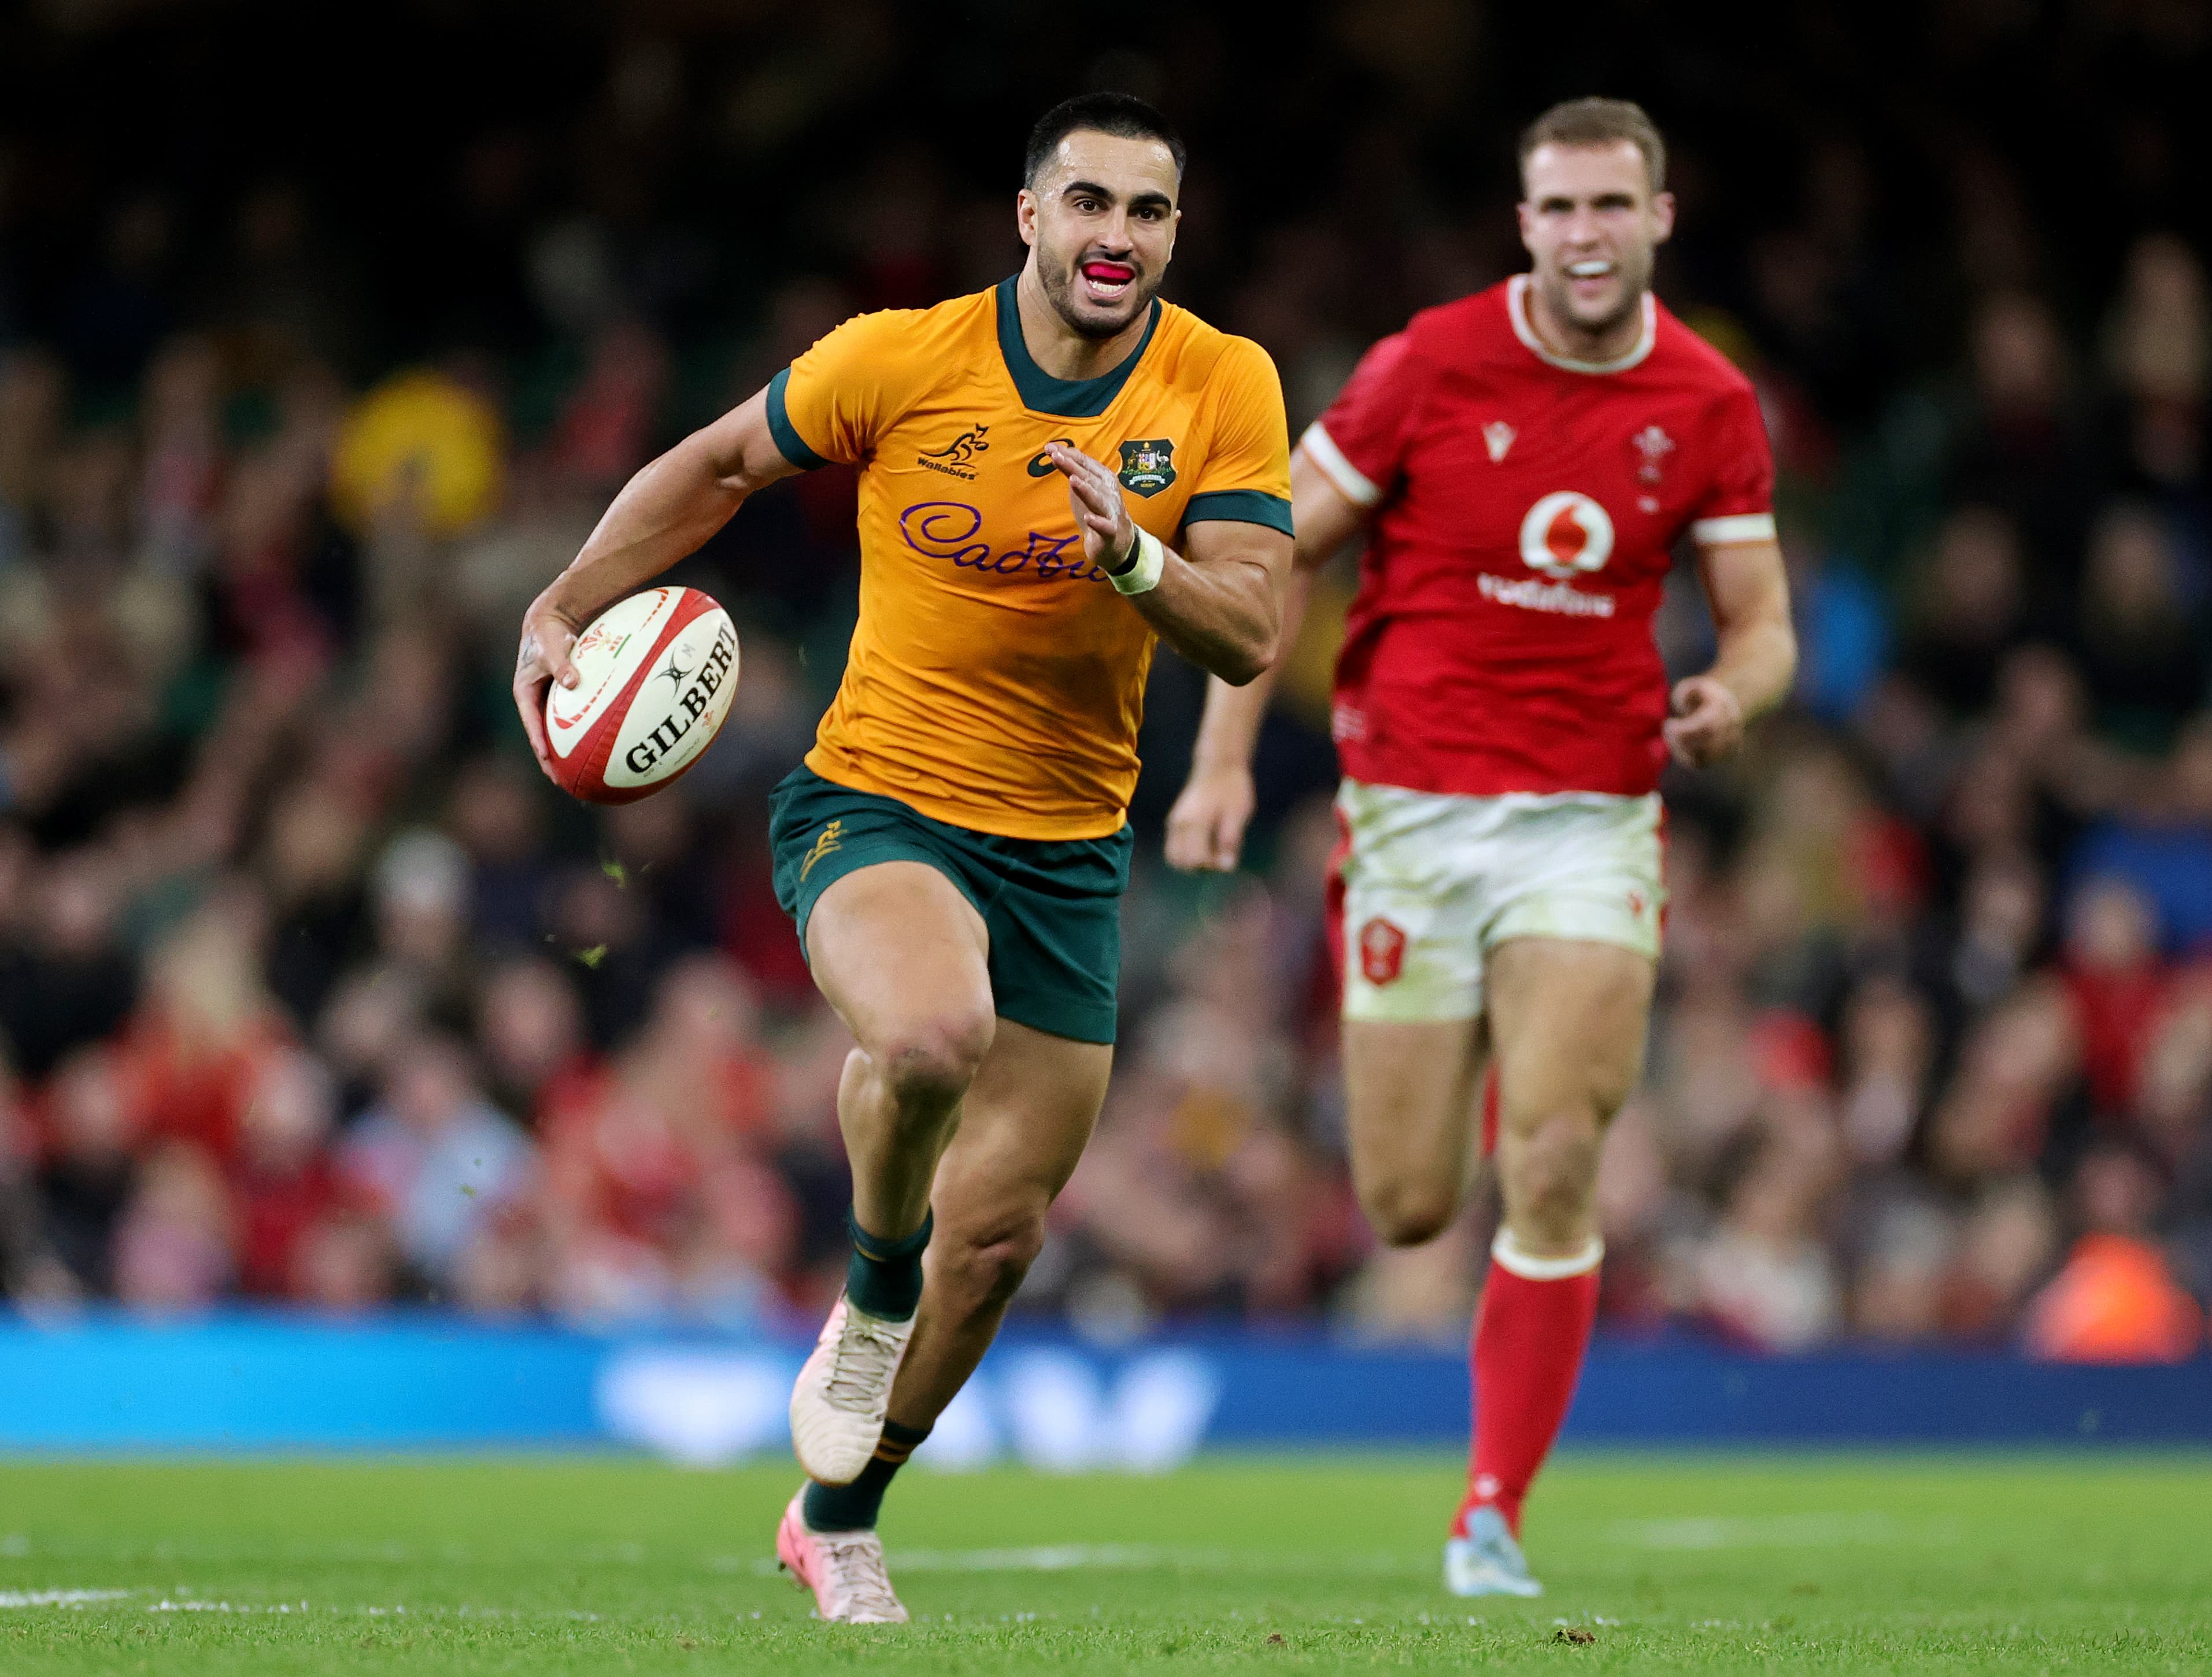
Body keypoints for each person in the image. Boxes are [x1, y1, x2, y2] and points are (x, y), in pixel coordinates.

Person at [512, 93, 1292, 1623]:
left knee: (996, 1241)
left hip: (1071, 850)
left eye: (1145, 213)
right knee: (934, 1036)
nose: (1112, 238)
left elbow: (1256, 624)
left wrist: (1133, 552)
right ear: (1027, 216)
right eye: (1086, 204)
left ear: (1173, 236)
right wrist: (568, 595)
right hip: (878, 803)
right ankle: (870, 1291)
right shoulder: (897, 357)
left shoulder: (1224, 382)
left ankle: (837, 1512)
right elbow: (720, 466)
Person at [1164, 97, 1796, 1597]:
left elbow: (1763, 626)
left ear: (1659, 217)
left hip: (1588, 815)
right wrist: (1219, 764)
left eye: (1609, 207)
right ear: (1524, 224)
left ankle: (1489, 1511)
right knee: (1404, 1203)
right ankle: (1452, 1127)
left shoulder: (1708, 402)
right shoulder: (1428, 365)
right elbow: (1267, 565)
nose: (1584, 235)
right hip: (1408, 817)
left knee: (1556, 1152)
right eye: (1558, 209)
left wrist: (1732, 695)